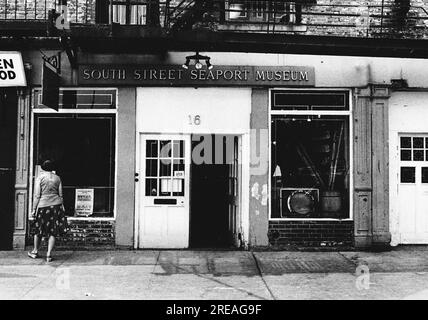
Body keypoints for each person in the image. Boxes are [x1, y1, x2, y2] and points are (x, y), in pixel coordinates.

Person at [28, 160, 68, 262]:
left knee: (38, 229)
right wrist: (62, 206)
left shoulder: (40, 178)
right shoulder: (57, 178)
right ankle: (49, 254)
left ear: (42, 168)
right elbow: (61, 194)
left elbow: (37, 195)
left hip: (43, 205)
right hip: (56, 205)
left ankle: (35, 251)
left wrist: (33, 209)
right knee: (53, 230)